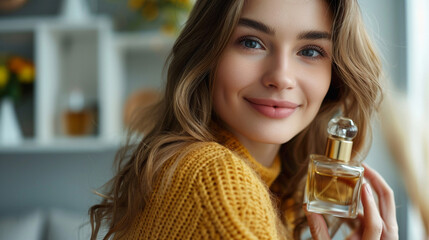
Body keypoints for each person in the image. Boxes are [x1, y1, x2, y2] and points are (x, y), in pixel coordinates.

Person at [89, 0, 399, 239]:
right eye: (251, 42)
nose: (280, 77)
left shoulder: (275, 191)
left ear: (336, 76)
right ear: (208, 53)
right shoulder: (218, 182)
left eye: (311, 51)